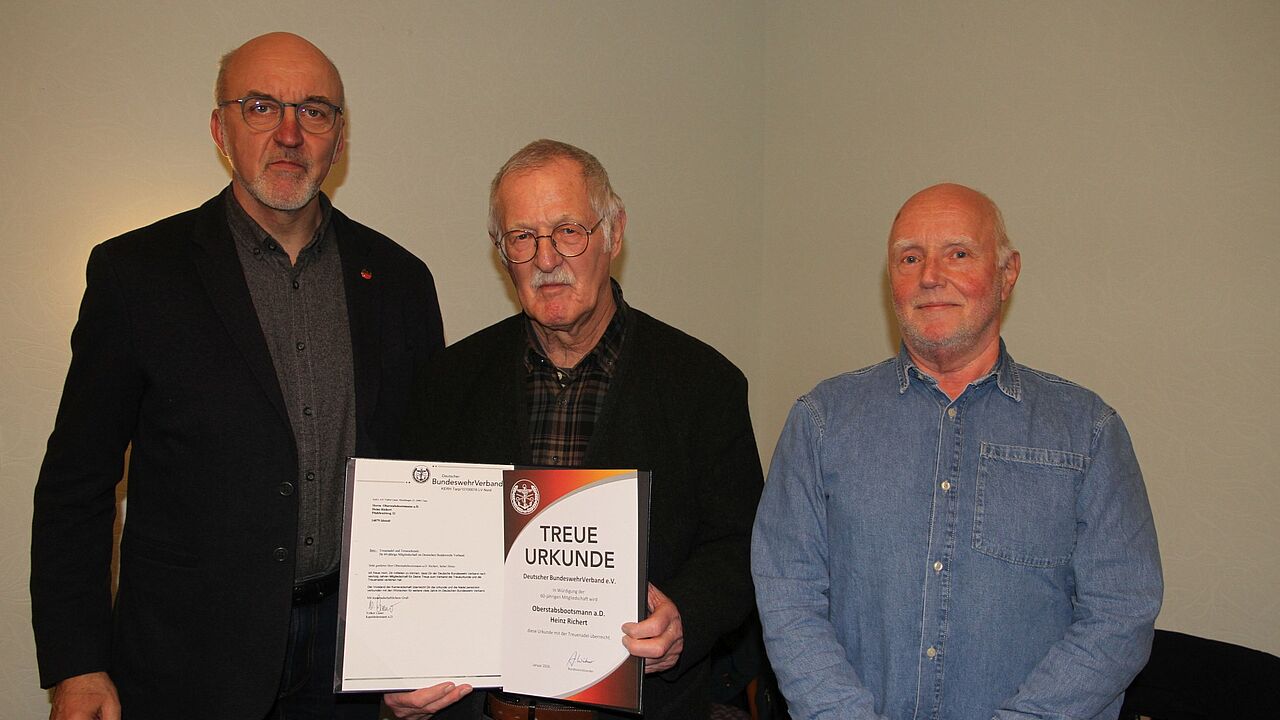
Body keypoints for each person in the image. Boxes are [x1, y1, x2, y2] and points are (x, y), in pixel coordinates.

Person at [30, 32, 445, 720]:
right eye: (261, 107)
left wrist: (431, 636)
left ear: (339, 139)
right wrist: (78, 664)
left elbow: (429, 468)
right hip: (189, 656)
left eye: (314, 111)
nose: (288, 133)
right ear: (221, 129)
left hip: (356, 656)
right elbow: (77, 480)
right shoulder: (136, 275)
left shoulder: (399, 279)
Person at [751, 183, 1162, 720]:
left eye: (959, 253)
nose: (929, 276)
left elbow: (1120, 612)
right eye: (910, 257)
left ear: (1007, 273)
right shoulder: (821, 421)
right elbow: (788, 593)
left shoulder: (1087, 430)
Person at [387, 139, 764, 720]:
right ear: (501, 252)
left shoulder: (703, 385)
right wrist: (396, 663)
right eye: (522, 237)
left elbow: (740, 544)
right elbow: (408, 550)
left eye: (568, 231)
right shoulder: (447, 382)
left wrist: (684, 613)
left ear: (613, 234)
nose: (545, 258)